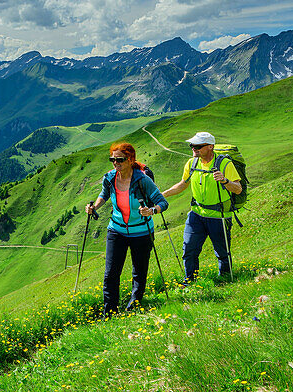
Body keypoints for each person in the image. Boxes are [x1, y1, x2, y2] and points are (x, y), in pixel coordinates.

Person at [85, 143, 168, 313]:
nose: (115, 163)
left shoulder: (142, 180)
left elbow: (163, 203)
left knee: (139, 273)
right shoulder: (109, 178)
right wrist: (95, 207)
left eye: (119, 160)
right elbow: (104, 194)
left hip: (142, 232)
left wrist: (151, 211)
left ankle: (134, 306)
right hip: (116, 230)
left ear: (130, 160)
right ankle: (110, 312)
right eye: (112, 160)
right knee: (110, 275)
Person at [161, 131, 243, 282]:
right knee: (189, 249)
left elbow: (238, 188)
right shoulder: (192, 163)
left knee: (222, 252)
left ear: (210, 147)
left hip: (219, 216)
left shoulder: (225, 164)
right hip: (196, 214)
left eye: (198, 146)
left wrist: (225, 181)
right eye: (192, 145)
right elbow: (182, 185)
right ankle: (190, 281)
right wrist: (162, 195)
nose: (194, 148)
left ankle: (224, 281)